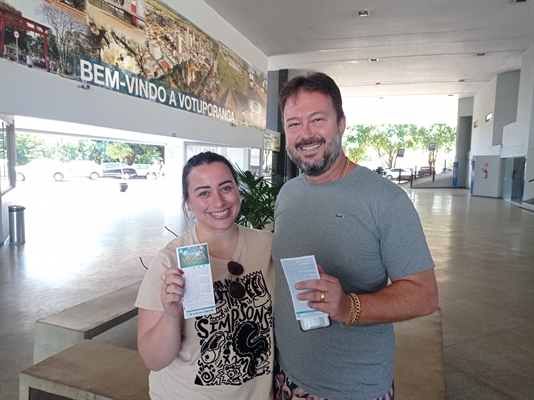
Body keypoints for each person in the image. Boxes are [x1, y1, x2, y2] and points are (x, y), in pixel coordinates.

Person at [271, 73, 438, 400]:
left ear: (341, 123)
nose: (305, 134)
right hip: (285, 376)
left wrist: (349, 306)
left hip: (352, 388)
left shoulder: (385, 200)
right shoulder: (287, 195)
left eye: (317, 120)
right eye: (293, 124)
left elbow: (424, 295)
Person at [136, 152, 275, 399]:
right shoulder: (171, 260)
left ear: (237, 190)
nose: (218, 201)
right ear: (188, 202)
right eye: (203, 193)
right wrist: (171, 315)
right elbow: (153, 360)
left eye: (226, 188)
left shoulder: (268, 247)